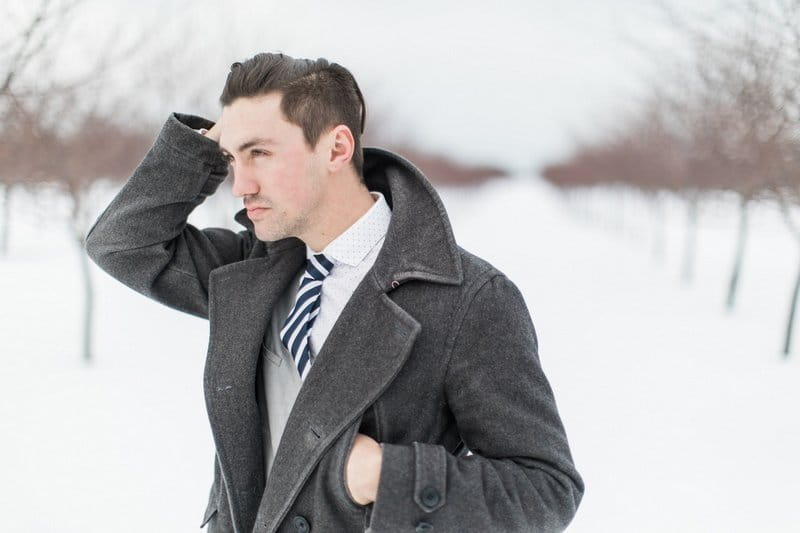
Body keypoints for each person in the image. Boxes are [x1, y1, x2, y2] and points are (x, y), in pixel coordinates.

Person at [84, 52, 584, 533]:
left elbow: (545, 489)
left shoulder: (468, 298)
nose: (239, 185)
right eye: (231, 159)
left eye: (260, 152)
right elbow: (121, 244)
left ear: (337, 149)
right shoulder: (248, 270)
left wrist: (390, 476)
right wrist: (204, 145)